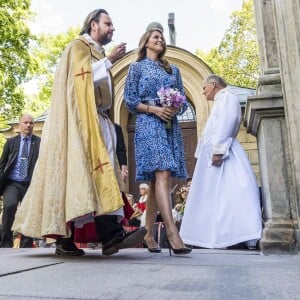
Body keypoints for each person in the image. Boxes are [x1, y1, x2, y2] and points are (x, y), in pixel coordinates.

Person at [12, 9, 146, 256]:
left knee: (100, 179)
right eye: (108, 24)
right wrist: (109, 62)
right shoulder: (77, 47)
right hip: (79, 124)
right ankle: (68, 240)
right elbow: (77, 81)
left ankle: (111, 237)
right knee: (78, 180)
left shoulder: (97, 52)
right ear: (93, 24)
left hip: (99, 120)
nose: (112, 28)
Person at [124, 22, 191, 255]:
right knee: (162, 172)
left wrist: (173, 109)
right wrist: (154, 110)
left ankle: (148, 234)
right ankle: (173, 234)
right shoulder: (136, 68)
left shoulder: (174, 70)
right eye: (155, 37)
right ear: (146, 42)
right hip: (148, 123)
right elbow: (130, 102)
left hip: (169, 126)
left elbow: (182, 99)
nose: (160, 40)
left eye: (161, 37)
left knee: (155, 183)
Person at [180, 74, 262, 249]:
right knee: (218, 197)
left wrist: (218, 150)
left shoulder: (227, 98)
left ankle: (241, 234)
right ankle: (217, 235)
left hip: (224, 156)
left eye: (204, 88)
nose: (203, 92)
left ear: (214, 84)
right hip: (216, 157)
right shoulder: (221, 100)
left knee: (233, 193)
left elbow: (228, 121)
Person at [0, 114, 41, 248]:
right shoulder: (11, 142)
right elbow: (2, 164)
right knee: (10, 206)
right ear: (20, 125)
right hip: (12, 183)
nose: (28, 125)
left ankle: (26, 244)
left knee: (28, 212)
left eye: (31, 123)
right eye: (25, 122)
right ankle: (5, 242)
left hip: (30, 184)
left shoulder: (39, 142)